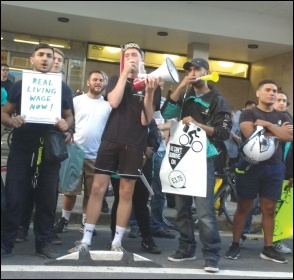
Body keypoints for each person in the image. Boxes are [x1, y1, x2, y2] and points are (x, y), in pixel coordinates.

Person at [68, 42, 160, 253]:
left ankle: (117, 241)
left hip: (135, 143)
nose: (130, 58)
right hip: (110, 139)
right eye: (127, 55)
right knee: (98, 189)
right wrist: (124, 75)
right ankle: (86, 239)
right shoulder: (115, 79)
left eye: (134, 55)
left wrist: (149, 91)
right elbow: (114, 102)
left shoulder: (152, 84)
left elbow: (146, 120)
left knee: (126, 193)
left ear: (142, 59)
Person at [1, 43, 74, 259]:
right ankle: (6, 243)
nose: (45, 59)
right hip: (22, 147)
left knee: (47, 199)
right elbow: (4, 113)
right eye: (40, 55)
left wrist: (65, 125)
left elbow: (70, 117)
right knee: (14, 197)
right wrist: (12, 120)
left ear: (54, 62)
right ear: (32, 60)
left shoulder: (63, 89)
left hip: (50, 149)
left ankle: (43, 243)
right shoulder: (20, 86)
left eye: (49, 56)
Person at [161, 58, 232, 273]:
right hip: (182, 156)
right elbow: (166, 114)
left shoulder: (218, 100)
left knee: (204, 211)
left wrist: (199, 125)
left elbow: (223, 132)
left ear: (207, 72)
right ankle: (186, 248)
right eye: (189, 69)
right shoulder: (184, 94)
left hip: (204, 160)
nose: (193, 72)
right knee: (181, 208)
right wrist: (181, 85)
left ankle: (211, 256)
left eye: (197, 69)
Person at [225, 80, 293, 264]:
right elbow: (250, 134)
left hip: (275, 167)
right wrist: (276, 131)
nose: (271, 93)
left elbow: (288, 136)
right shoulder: (249, 112)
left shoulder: (283, 115)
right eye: (267, 90)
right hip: (250, 166)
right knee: (243, 207)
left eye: (274, 90)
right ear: (258, 93)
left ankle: (268, 248)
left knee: (269, 209)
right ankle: (235, 244)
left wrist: (267, 126)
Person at [53, 70, 112, 237]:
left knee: (91, 193)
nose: (98, 82)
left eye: (101, 80)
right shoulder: (76, 101)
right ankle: (64, 220)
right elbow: (69, 121)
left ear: (104, 83)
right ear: (88, 82)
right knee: (70, 191)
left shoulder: (108, 106)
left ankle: (86, 223)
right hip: (75, 152)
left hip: (96, 155)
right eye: (94, 79)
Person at [110, 117, 162, 254]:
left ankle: (147, 239)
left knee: (141, 202)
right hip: (122, 160)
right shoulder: (120, 113)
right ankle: (114, 238)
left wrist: (150, 150)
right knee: (119, 199)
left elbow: (155, 135)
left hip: (144, 163)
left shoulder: (147, 113)